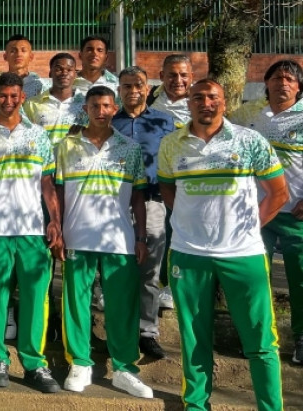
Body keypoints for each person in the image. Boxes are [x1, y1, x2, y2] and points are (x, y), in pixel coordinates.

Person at [159, 79, 287, 411]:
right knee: (194, 339)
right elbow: (169, 192)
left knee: (261, 341)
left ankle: (270, 407)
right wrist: (193, 223)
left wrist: (249, 228)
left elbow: (279, 193)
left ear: (223, 103)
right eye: (198, 97)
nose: (205, 102)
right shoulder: (172, 144)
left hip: (243, 255)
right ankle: (197, 406)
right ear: (189, 103)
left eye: (212, 97)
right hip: (189, 255)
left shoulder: (249, 141)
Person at [0, 72, 63, 393]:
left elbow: (48, 183)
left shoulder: (39, 135)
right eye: (2, 96)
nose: (8, 101)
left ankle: (34, 363)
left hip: (33, 230)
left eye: (13, 96)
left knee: (36, 296)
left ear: (23, 98)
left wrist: (54, 220)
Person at [56, 86, 154, 398]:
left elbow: (138, 196)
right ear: (85, 108)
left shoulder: (130, 147)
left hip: (120, 238)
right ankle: (81, 363)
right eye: (95, 105)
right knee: (76, 302)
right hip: (76, 235)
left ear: (115, 109)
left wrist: (141, 236)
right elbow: (56, 192)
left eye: (106, 105)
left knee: (122, 306)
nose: (101, 110)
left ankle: (125, 369)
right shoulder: (65, 146)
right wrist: (56, 229)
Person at [230, 59, 303, 365]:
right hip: (256, 213)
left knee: (299, 281)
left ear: (298, 87)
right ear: (267, 83)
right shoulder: (249, 114)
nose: (282, 83)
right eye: (277, 78)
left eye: (289, 79)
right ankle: (255, 338)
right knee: (254, 278)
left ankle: (300, 339)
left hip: (297, 213)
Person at [111, 66, 176, 360]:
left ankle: (147, 332)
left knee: (149, 270)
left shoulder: (164, 122)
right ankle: (118, 330)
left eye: (138, 85)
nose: (132, 90)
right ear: (119, 90)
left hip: (151, 202)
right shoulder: (108, 121)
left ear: (148, 88)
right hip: (115, 204)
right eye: (126, 86)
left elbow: (174, 159)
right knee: (116, 269)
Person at [23, 53, 87, 147]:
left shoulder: (86, 104)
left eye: (69, 70)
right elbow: (25, 135)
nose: (64, 73)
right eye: (58, 69)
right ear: (50, 73)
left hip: (75, 159)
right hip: (45, 161)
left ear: (75, 74)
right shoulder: (32, 104)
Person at [148, 54, 193, 125]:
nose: (178, 80)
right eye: (172, 75)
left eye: (184, 75)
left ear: (191, 77)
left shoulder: (202, 99)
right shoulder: (149, 96)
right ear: (162, 76)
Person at [1, 34, 47, 99]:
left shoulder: (42, 86)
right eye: (13, 51)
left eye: (23, 50)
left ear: (31, 57)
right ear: (5, 57)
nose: (18, 54)